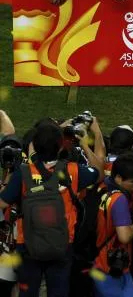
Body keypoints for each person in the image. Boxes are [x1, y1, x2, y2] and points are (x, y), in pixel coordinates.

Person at [0, 120, 103, 297]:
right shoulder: (74, 171)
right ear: (60, 147)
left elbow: (2, 203)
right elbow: (99, 173)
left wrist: (8, 178)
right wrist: (86, 146)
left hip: (28, 244)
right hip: (62, 244)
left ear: (34, 146)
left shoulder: (23, 173)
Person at [93, 153, 133, 297]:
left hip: (99, 263)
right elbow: (125, 236)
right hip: (111, 267)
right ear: (118, 178)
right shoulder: (120, 199)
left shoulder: (103, 187)